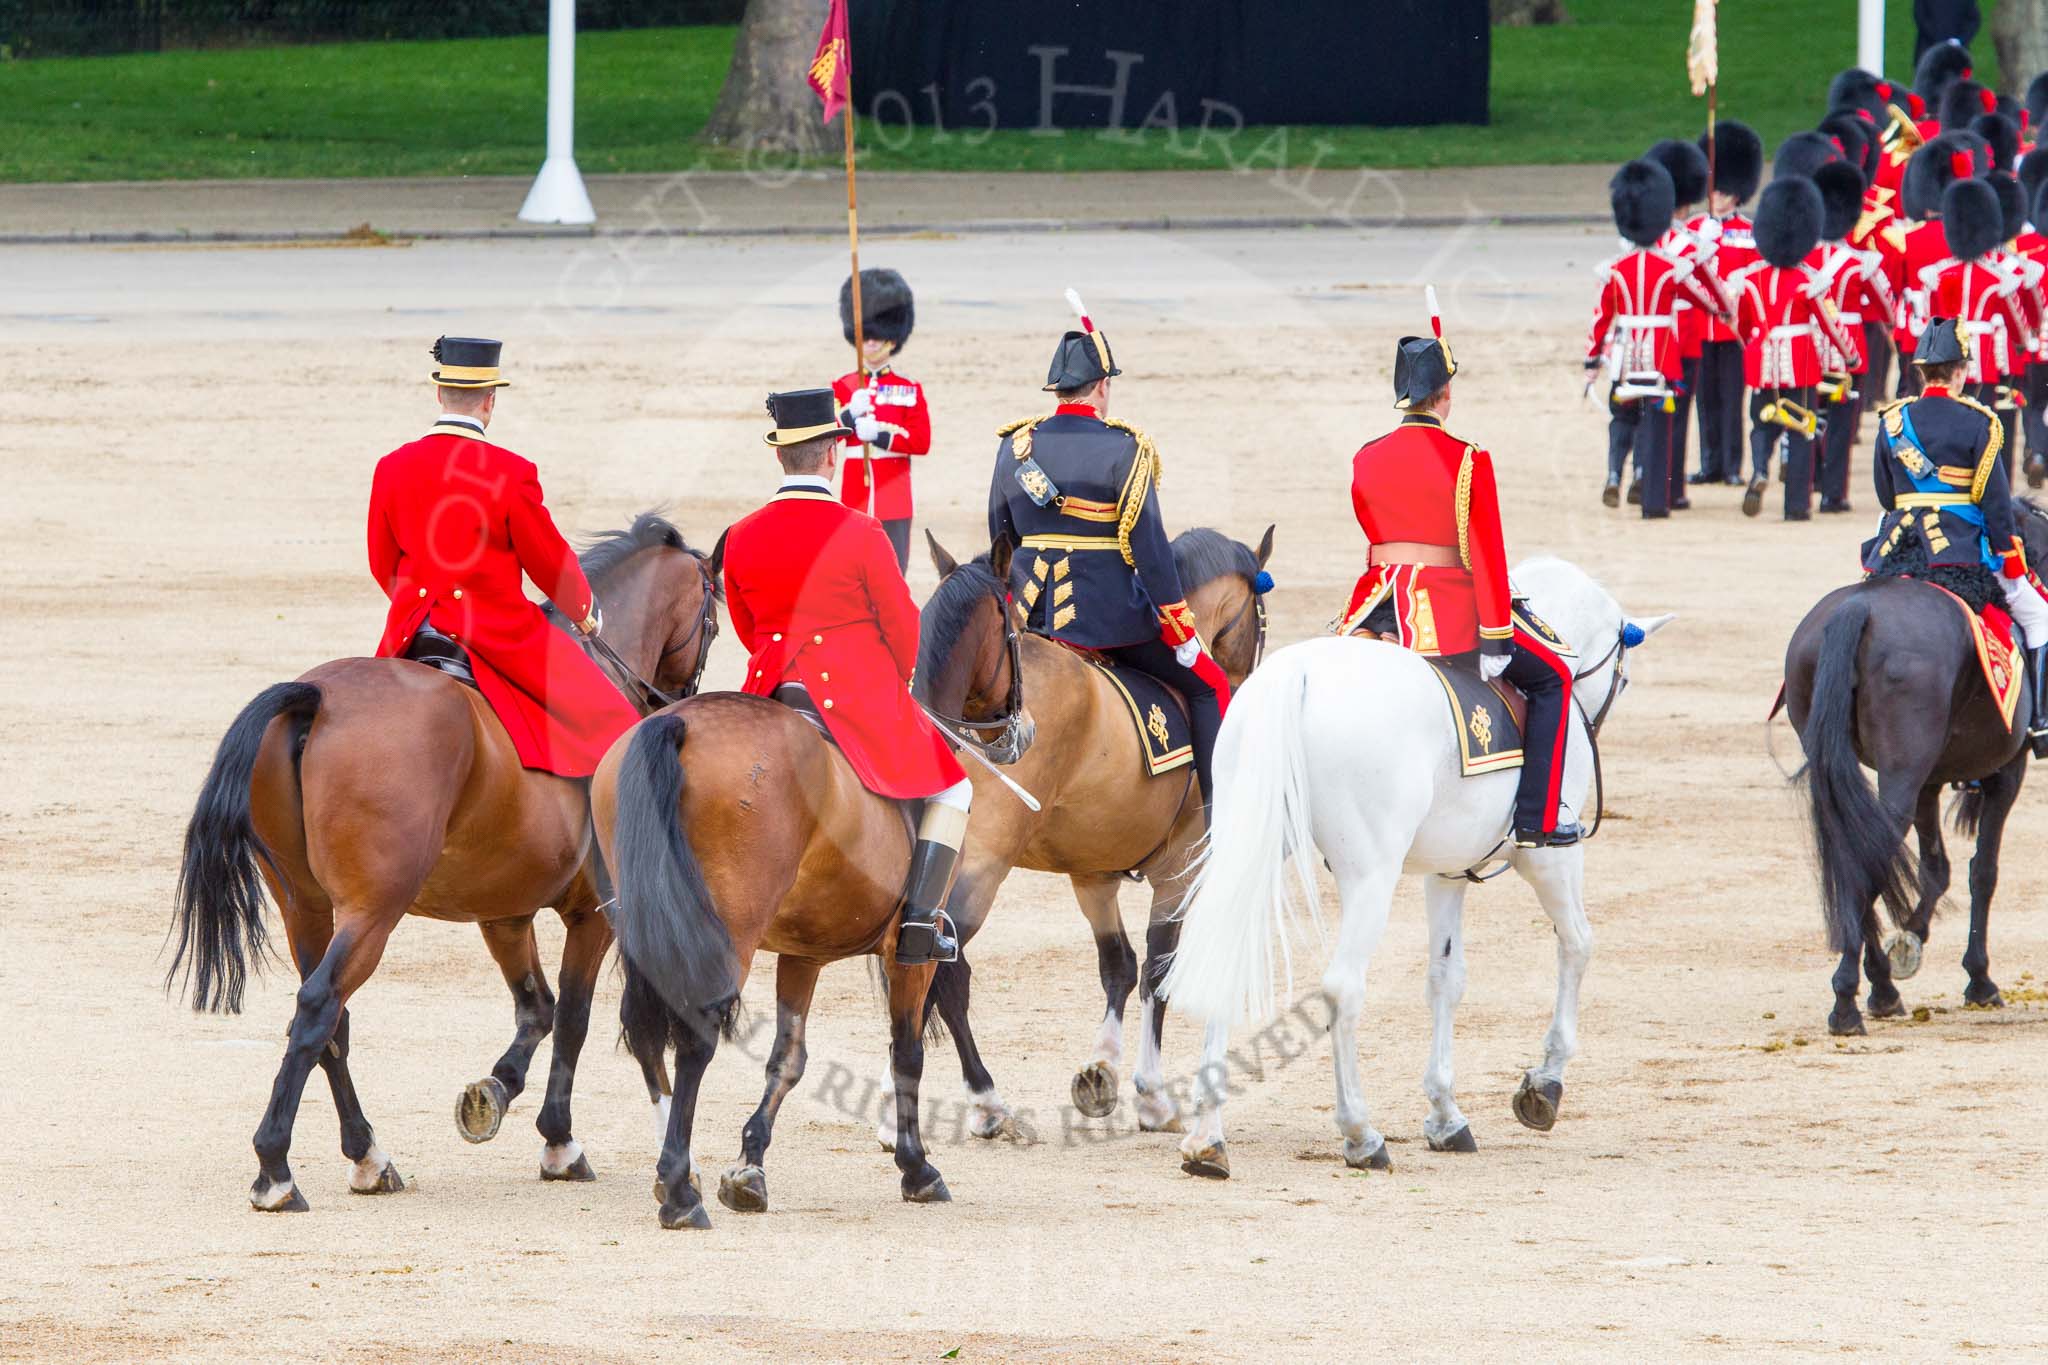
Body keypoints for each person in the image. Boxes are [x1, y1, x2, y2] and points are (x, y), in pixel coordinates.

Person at [722, 388, 972, 965]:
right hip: (854, 696)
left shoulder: (740, 534)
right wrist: (902, 685)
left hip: (770, 690)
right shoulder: (862, 531)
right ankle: (917, 925)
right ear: (833, 454)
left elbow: (746, 626)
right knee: (953, 787)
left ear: (780, 456)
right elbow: (904, 629)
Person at [1339, 315, 1578, 848]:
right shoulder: (1468, 459)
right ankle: (1538, 818)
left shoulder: (1366, 457)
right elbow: (1487, 554)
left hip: (1376, 603)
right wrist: (1494, 636)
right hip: (1445, 610)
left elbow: (1371, 529)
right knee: (1553, 680)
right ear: (1445, 394)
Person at [986, 316, 1230, 810]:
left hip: (1030, 614)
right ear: (1101, 386)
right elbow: (1152, 553)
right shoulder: (1126, 448)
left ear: (1059, 389)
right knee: (1209, 686)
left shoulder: (1015, 447)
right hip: (1108, 616)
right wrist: (1182, 632)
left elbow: (1000, 537)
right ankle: (1221, 816)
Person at [368, 336, 638, 778]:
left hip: (411, 629)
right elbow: (548, 562)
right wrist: (585, 615)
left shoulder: (392, 465)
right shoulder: (513, 473)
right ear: (489, 401)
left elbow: (382, 561)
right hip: (493, 630)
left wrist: (417, 604)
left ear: (440, 393)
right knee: (616, 724)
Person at [1864, 320, 2048, 755]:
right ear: (1961, 371)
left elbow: (1885, 494)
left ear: (1921, 371)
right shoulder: (1979, 421)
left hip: (1898, 548)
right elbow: (1996, 504)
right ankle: (2040, 722)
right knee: (2038, 616)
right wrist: (2008, 554)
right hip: (1959, 549)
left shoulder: (1892, 422)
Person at [1586, 159, 1728, 518]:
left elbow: (1601, 318)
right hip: (1662, 352)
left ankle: (1615, 472)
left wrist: (1592, 361)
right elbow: (1705, 299)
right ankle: (1646, 482)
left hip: (1626, 351)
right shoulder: (1671, 267)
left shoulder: (1614, 269)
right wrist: (1722, 309)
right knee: (1657, 419)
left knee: (1622, 414)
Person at [1733, 177, 1858, 519]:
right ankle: (1796, 505)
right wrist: (1850, 355)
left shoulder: (1751, 278)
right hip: (1800, 360)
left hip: (1763, 358)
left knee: (1762, 422)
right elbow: (1831, 325)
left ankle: (1760, 469)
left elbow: (1742, 326)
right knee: (1802, 429)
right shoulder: (1808, 280)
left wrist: (1755, 347)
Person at [1809, 160, 1898, 513]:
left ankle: (1810, 475)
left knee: (1813, 413)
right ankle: (1834, 493)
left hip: (1811, 346)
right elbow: (1888, 307)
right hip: (1849, 349)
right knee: (1843, 422)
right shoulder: (1861, 263)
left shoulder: (1803, 258)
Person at [831, 269, 931, 574]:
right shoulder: (843, 386)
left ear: (893, 337)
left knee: (893, 571)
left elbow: (920, 441)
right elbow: (828, 438)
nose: (871, 342)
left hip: (894, 495)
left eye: (877, 335)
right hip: (854, 494)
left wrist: (881, 436)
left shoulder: (908, 387)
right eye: (866, 335)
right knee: (852, 571)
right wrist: (848, 415)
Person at [1692, 120, 1764, 486]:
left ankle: (1733, 466)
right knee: (1706, 401)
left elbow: (1753, 279)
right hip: (1700, 327)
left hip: (1735, 328)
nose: (1716, 197)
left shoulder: (1750, 233)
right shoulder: (1694, 230)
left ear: (1737, 194)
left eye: (1723, 192)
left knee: (1733, 400)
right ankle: (1710, 463)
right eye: (1713, 190)